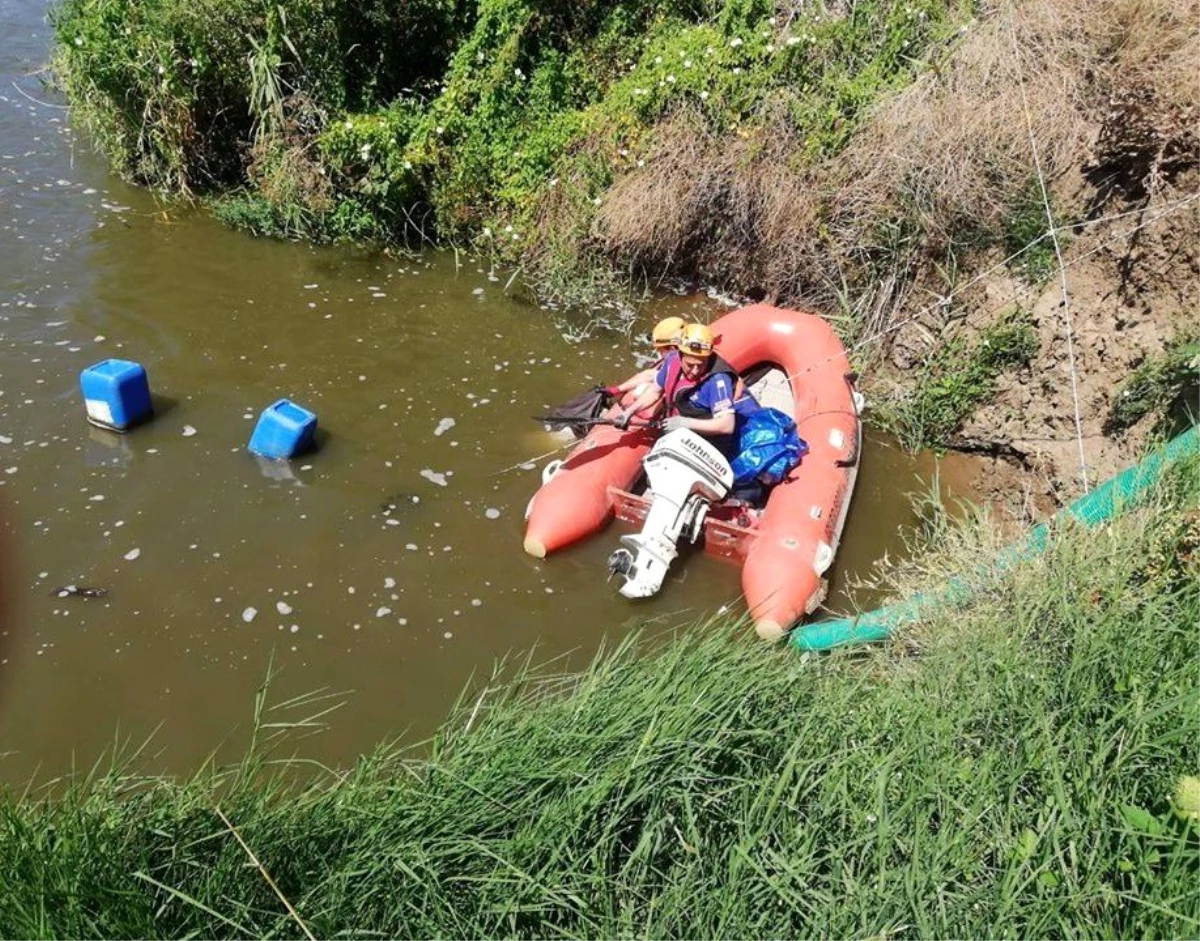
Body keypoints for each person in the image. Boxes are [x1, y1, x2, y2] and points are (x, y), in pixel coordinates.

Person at [616, 323, 766, 503]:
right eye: (690, 365)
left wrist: (684, 423)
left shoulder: (718, 380)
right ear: (679, 354)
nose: (695, 371)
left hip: (713, 438)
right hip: (688, 430)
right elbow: (656, 390)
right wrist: (629, 412)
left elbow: (727, 425)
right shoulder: (671, 361)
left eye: (701, 365)